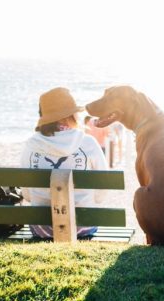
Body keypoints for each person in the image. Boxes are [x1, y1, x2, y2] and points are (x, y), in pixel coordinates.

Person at [21, 87, 108, 238]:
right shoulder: (87, 142)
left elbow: (27, 195)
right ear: (70, 115)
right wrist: (92, 200)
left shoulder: (31, 145)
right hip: (83, 225)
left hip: (42, 227)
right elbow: (103, 187)